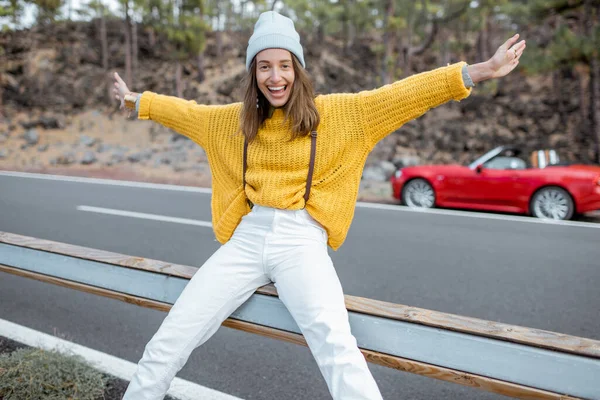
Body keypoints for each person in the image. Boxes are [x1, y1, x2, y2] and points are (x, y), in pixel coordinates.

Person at [113, 10, 525, 400]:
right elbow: (183, 112)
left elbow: (408, 94)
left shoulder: (341, 115)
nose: (276, 77)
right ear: (253, 73)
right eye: (264, 66)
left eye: (285, 65)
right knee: (174, 334)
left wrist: (483, 70)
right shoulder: (232, 121)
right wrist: (135, 100)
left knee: (336, 345)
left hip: (300, 242)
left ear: (298, 69)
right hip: (246, 239)